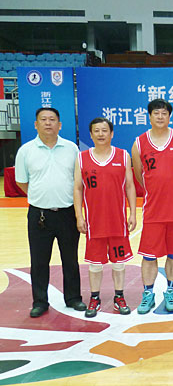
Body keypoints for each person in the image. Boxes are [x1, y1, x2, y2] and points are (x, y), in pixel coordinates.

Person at [15, 107, 86, 317]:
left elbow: (78, 182)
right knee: (39, 261)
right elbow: (21, 182)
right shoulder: (26, 151)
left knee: (70, 259)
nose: (48, 123)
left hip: (67, 214)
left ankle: (73, 298)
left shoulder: (71, 149)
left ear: (60, 125)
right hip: (39, 215)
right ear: (35, 124)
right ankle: (40, 302)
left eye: (52, 119)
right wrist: (40, 198)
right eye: (43, 119)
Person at [131, 99, 173, 314]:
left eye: (164, 113)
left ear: (169, 116)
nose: (160, 116)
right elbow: (139, 174)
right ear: (149, 116)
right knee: (149, 255)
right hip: (153, 210)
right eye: (156, 113)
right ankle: (148, 294)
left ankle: (171, 291)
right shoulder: (139, 143)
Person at [73, 117, 137, 318]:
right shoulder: (82, 158)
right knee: (95, 263)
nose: (101, 134)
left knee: (119, 262)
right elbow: (77, 188)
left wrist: (133, 213)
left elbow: (130, 186)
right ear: (91, 134)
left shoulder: (123, 155)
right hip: (94, 221)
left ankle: (119, 296)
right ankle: (95, 298)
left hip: (118, 220)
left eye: (104, 130)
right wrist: (79, 216)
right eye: (97, 131)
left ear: (112, 133)